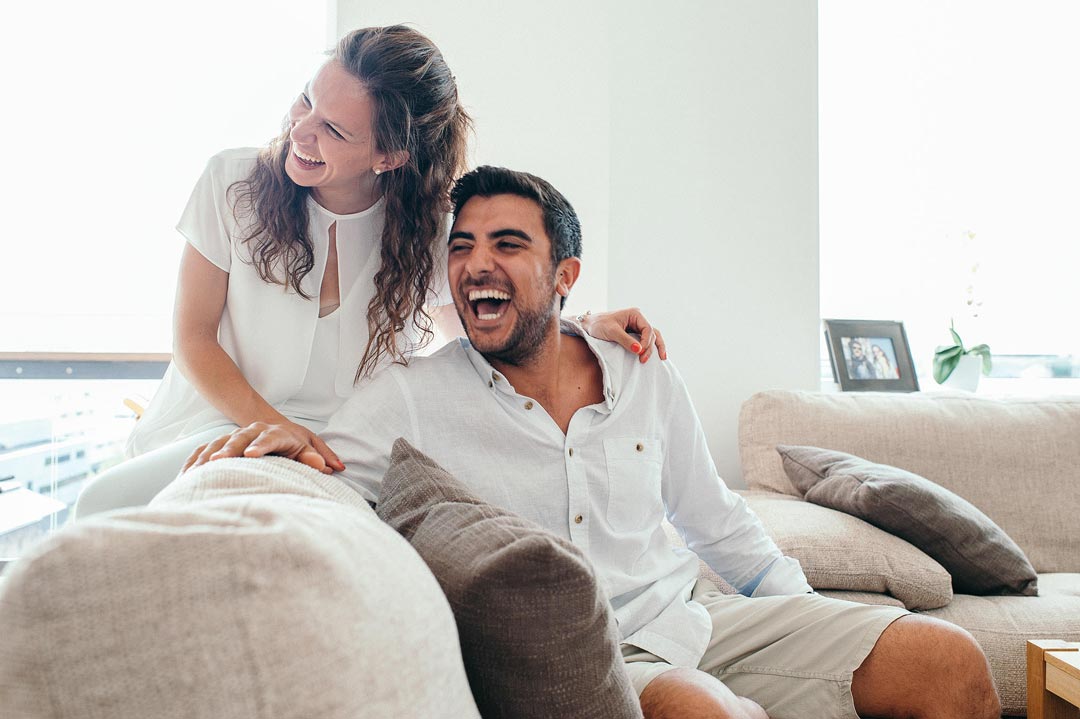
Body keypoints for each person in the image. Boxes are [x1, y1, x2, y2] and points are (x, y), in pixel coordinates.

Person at [188, 166, 1000, 719]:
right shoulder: (410, 397)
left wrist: (806, 613)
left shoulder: (640, 369)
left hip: (700, 615)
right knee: (703, 712)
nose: (476, 264)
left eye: (508, 245)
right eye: (462, 247)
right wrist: (271, 446)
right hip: (601, 656)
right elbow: (325, 474)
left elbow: (717, 523)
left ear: (565, 275)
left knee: (950, 659)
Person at [74, 26, 662, 519]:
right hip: (226, 417)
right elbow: (193, 337)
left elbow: (483, 323)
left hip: (349, 450)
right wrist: (279, 431)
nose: (301, 131)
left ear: (390, 156)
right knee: (102, 506)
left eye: (334, 130)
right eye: (306, 101)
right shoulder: (232, 184)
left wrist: (582, 324)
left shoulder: (429, 232)